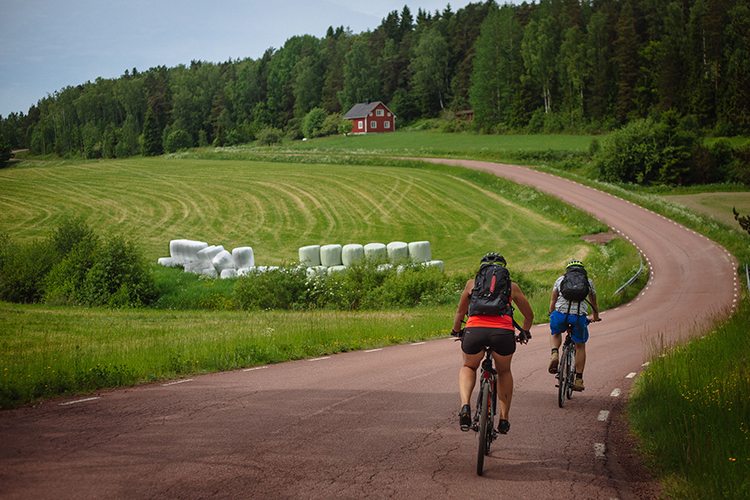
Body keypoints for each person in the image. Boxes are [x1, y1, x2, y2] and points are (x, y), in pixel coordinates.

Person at [451, 253, 534, 434]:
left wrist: (457, 330)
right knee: (504, 371)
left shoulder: (471, 285)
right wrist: (524, 332)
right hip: (503, 334)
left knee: (469, 366)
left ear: (481, 269)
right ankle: (504, 418)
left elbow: (460, 313)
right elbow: (529, 315)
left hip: (475, 331)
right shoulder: (512, 287)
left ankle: (465, 405)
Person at [547, 260, 600, 391]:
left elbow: (553, 300)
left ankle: (554, 353)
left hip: (561, 315)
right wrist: (596, 317)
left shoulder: (560, 280)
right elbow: (594, 303)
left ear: (568, 270)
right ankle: (578, 379)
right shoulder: (588, 282)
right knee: (580, 346)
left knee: (555, 332)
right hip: (578, 317)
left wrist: (551, 313)